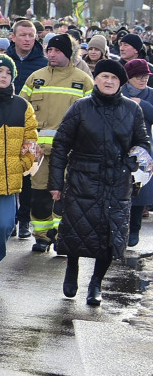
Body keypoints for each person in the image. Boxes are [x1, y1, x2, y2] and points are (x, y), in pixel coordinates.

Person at [50, 59, 151, 306]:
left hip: (117, 182)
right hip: (83, 179)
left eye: (114, 78)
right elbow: (61, 144)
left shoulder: (132, 109)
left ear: (120, 83)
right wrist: (56, 183)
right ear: (96, 79)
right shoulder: (80, 107)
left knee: (111, 236)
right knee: (77, 230)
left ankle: (96, 283)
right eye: (104, 76)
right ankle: (71, 268)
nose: (108, 81)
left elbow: (143, 143)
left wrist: (132, 162)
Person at [20, 33, 93, 252]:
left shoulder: (83, 80)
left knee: (66, 195)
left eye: (57, 51)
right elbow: (21, 110)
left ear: (68, 54)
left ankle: (64, 237)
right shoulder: (35, 78)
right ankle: (42, 236)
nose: (51, 54)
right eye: (49, 50)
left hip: (71, 151)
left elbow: (92, 117)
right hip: (39, 151)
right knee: (40, 193)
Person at [122, 58, 153, 247]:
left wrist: (141, 103)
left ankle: (135, 229)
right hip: (121, 146)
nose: (143, 80)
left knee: (140, 191)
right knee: (121, 190)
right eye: (138, 77)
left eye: (146, 77)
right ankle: (120, 230)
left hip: (143, 149)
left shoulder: (150, 94)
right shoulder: (120, 92)